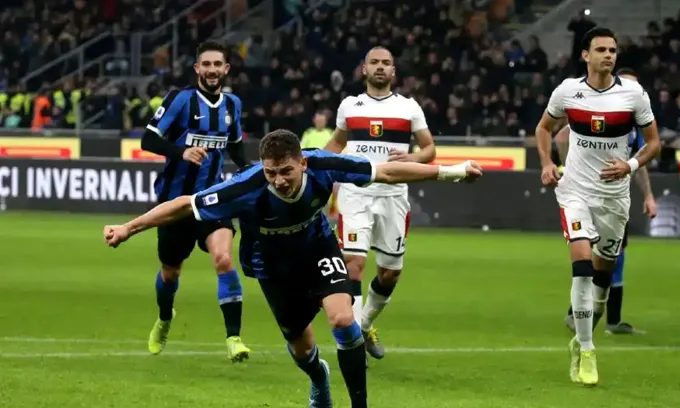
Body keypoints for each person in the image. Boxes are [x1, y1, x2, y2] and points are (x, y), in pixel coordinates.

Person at [104, 129, 483, 408]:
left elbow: (385, 172)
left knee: (342, 319)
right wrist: (127, 228)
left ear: (302, 162)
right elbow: (186, 204)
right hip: (272, 268)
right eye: (271, 173)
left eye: (286, 171)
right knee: (304, 351)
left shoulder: (323, 164)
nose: (279, 181)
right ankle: (319, 379)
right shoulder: (246, 187)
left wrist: (452, 171)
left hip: (318, 249)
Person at [535, 28, 661, 386]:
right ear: (585, 55)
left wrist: (630, 165)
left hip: (614, 197)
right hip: (575, 191)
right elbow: (544, 128)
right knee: (582, 267)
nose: (608, 55)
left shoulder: (633, 94)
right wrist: (547, 162)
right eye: (601, 49)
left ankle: (587, 329)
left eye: (613, 50)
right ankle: (587, 350)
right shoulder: (567, 91)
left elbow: (654, 143)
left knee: (603, 278)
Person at [139, 40, 251, 362]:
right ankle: (165, 317)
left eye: (218, 64)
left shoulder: (233, 105)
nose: (212, 70)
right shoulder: (180, 100)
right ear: (197, 68)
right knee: (170, 272)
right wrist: (181, 152)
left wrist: (250, 171)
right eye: (207, 64)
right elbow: (148, 139)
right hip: (176, 202)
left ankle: (234, 339)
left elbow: (235, 145)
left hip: (213, 199)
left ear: (226, 69)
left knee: (223, 259)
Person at [324, 46, 437, 361]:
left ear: (393, 71)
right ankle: (352, 344)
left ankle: (364, 324)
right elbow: (337, 141)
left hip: (393, 196)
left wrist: (413, 158)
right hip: (355, 193)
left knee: (390, 274)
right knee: (353, 264)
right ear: (364, 69)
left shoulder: (409, 107)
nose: (380, 67)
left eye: (386, 63)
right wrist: (314, 163)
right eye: (374, 62)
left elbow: (429, 149)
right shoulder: (349, 105)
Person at [557, 68, 658, 335]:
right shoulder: (595, 112)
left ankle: (608, 319)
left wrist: (648, 195)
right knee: (592, 255)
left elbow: (639, 163)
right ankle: (581, 315)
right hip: (587, 194)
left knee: (613, 257)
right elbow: (560, 136)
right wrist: (568, 169)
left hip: (615, 199)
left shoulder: (632, 126)